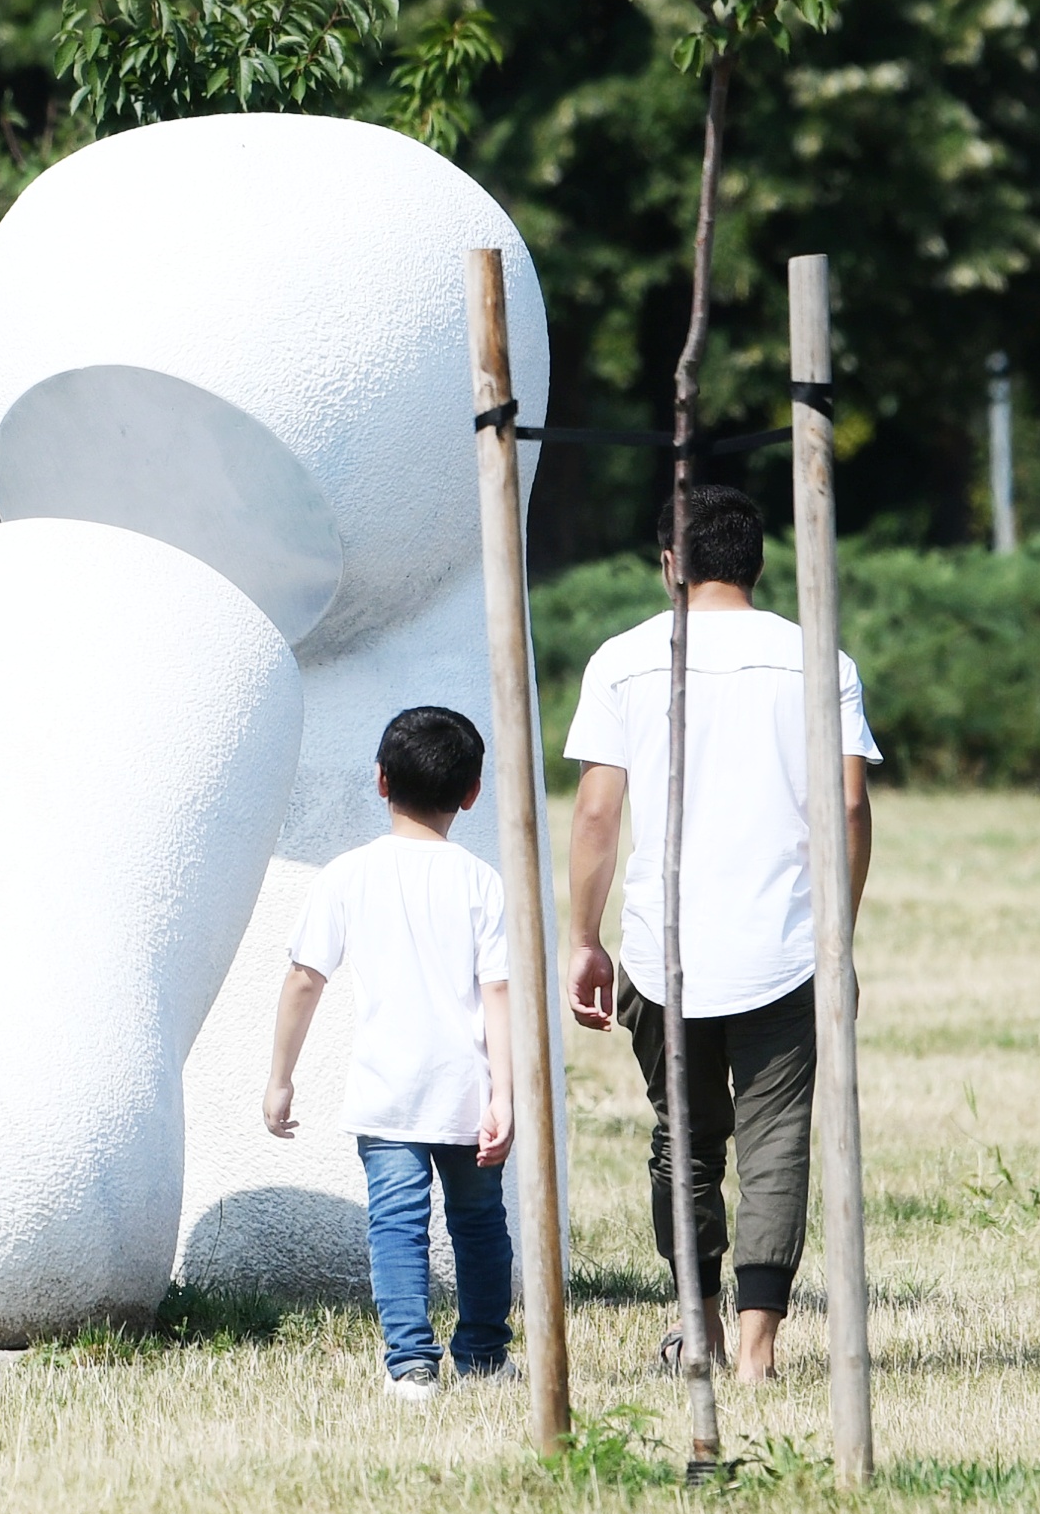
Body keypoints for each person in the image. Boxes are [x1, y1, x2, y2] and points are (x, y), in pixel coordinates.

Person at [561, 486, 877, 1384]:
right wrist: (836, 940)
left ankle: (694, 1324)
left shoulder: (623, 661)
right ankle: (756, 1352)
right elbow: (849, 804)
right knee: (778, 1140)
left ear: (670, 563)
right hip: (786, 946)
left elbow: (594, 812)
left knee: (685, 1138)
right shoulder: (820, 659)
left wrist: (582, 936)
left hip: (665, 952)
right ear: (758, 563)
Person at [263, 705, 517, 1400]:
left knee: (397, 1227)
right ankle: (485, 1355)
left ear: (380, 780)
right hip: (468, 1089)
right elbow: (497, 991)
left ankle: (410, 1366)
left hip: (386, 1088)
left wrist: (280, 1077)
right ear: (470, 791)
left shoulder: (345, 874)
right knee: (479, 1224)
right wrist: (504, 1093)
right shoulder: (479, 879)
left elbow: (303, 977)